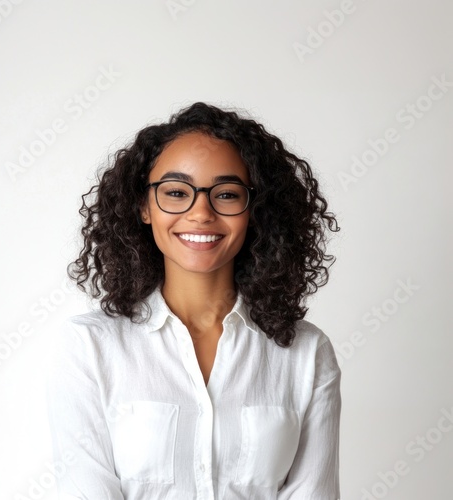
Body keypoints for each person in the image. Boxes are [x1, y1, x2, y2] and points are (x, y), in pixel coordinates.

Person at [45, 102, 342, 499]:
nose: (201, 212)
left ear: (254, 211)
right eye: (175, 192)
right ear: (144, 207)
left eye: (226, 194)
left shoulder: (307, 353)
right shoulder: (88, 348)